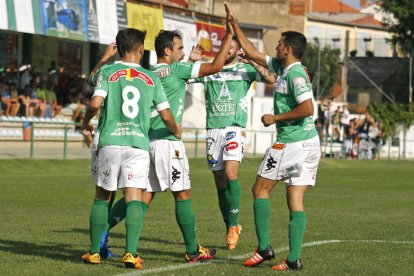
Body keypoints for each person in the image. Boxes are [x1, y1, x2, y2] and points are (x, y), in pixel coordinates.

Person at [104, 27, 235, 263]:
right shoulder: (177, 70)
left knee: (141, 197)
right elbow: (216, 66)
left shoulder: (148, 72)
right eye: (180, 48)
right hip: (167, 142)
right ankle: (192, 250)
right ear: (167, 50)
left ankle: (101, 235)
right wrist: (228, 36)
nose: (183, 52)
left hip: (145, 142)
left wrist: (188, 62)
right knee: (182, 194)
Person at [225, 2, 321, 271]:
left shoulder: (296, 74)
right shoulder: (283, 69)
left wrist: (275, 118)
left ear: (288, 49)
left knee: (259, 189)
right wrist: (234, 25)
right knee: (295, 200)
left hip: (292, 142)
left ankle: (265, 247)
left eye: (279, 45)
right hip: (308, 143)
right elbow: (253, 52)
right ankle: (293, 259)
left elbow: (307, 108)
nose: (275, 48)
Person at [81, 28, 181, 269]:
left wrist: (86, 122)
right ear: (140, 48)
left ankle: (94, 252)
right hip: (138, 144)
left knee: (102, 197)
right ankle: (131, 253)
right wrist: (176, 130)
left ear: (119, 48)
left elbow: (95, 103)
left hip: (110, 142)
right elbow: (166, 114)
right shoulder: (151, 77)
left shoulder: (107, 71)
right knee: (134, 197)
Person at [189, 36, 275, 250]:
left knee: (230, 174)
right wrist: (192, 62)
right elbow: (184, 78)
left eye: (233, 49)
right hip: (213, 130)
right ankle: (230, 225)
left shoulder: (245, 70)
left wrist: (253, 62)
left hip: (234, 128)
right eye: (226, 48)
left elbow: (271, 79)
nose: (228, 52)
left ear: (238, 52)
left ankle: (235, 224)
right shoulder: (209, 69)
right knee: (220, 181)